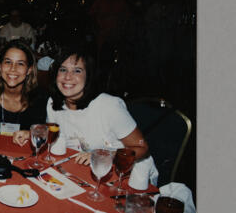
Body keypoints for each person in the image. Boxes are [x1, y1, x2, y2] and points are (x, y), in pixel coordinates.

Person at [13, 42, 157, 183]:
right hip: (81, 174)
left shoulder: (109, 106)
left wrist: (106, 155)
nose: (67, 77)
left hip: (125, 176)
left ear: (88, 76)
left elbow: (141, 148)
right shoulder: (53, 103)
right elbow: (54, 134)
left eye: (77, 70)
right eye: (63, 69)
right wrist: (32, 133)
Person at [0, 40, 47, 135]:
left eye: (20, 63)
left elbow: (43, 135)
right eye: (8, 62)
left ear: (29, 70)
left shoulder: (40, 99)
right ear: (0, 66)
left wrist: (30, 134)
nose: (13, 68)